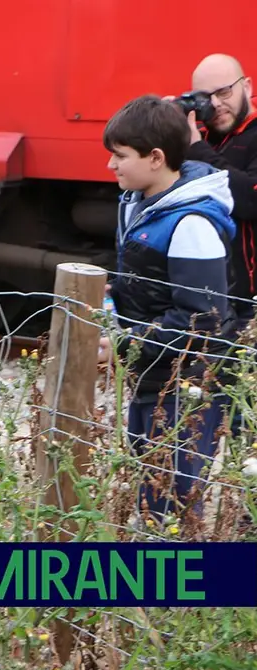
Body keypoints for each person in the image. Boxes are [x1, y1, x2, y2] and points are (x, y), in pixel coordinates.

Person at [102, 94, 236, 522]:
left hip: (182, 390)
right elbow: (147, 288)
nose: (111, 165)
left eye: (120, 156)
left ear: (156, 157)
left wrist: (124, 344)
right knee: (151, 498)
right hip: (153, 378)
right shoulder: (141, 206)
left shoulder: (189, 224)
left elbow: (201, 320)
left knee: (172, 506)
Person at [175, 55, 257, 326]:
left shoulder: (202, 145)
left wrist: (198, 150)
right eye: (204, 97)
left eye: (224, 92)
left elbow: (251, 200)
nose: (216, 105)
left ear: (246, 87)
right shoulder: (200, 139)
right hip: (210, 302)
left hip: (249, 306)